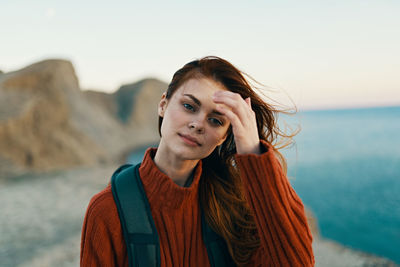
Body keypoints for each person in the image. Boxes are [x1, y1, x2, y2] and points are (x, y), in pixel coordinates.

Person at [80, 56, 315, 266]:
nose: (198, 123)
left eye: (215, 120)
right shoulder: (107, 210)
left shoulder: (232, 204)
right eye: (189, 106)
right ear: (163, 104)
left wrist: (253, 154)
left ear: (224, 136)